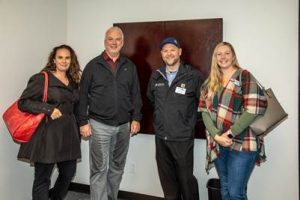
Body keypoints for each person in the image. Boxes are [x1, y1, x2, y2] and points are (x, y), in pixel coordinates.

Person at [78, 26, 142, 200]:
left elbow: (136, 94)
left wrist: (136, 118)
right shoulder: (93, 66)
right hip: (99, 126)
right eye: (110, 39)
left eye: (118, 39)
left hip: (123, 126)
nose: (114, 42)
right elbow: (82, 96)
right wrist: (83, 121)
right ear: (105, 41)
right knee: (99, 169)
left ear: (122, 42)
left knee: (117, 167)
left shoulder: (129, 66)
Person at [198, 42, 267, 200]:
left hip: (243, 142)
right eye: (219, 54)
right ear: (215, 58)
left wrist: (229, 134)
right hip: (218, 143)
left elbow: (253, 109)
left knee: (236, 193)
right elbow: (204, 112)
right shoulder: (209, 83)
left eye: (227, 53)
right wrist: (216, 136)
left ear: (233, 55)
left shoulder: (244, 76)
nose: (223, 57)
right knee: (225, 188)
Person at [17, 44, 82, 200]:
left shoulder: (73, 81)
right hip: (48, 135)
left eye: (67, 58)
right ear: (54, 59)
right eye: (60, 57)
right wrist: (48, 109)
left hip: (68, 135)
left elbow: (76, 106)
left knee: (68, 173)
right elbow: (23, 102)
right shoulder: (42, 78)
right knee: (43, 178)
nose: (64, 61)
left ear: (71, 60)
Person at [147, 37, 203, 200]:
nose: (169, 53)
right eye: (165, 50)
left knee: (186, 181)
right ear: (161, 54)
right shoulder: (156, 76)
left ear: (179, 52)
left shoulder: (193, 76)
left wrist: (187, 122)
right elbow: (152, 100)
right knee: (168, 183)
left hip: (182, 139)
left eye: (172, 49)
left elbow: (204, 104)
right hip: (161, 138)